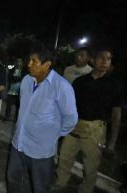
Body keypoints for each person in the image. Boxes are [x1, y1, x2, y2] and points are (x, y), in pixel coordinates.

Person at [6, 43, 78, 193]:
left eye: (34, 61)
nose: (29, 64)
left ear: (47, 65)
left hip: (41, 151)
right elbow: (24, 109)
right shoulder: (26, 80)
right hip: (18, 143)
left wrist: (54, 135)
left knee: (39, 187)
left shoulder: (62, 87)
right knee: (13, 179)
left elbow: (71, 119)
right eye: (29, 60)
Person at [52, 48, 124, 193]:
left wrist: (112, 141)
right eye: (101, 58)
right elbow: (69, 105)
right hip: (74, 126)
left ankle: (85, 190)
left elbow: (116, 114)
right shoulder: (80, 81)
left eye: (108, 59)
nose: (105, 61)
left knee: (91, 166)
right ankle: (60, 184)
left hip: (95, 130)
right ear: (93, 60)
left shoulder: (115, 84)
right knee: (64, 159)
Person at [3, 58, 24, 122]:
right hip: (11, 91)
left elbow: (23, 80)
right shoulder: (11, 70)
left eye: (20, 62)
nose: (18, 63)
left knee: (18, 106)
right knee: (8, 105)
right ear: (15, 63)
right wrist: (18, 79)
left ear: (22, 64)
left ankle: (16, 119)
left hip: (19, 92)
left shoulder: (24, 72)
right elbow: (10, 79)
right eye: (17, 62)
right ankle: (7, 117)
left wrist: (16, 79)